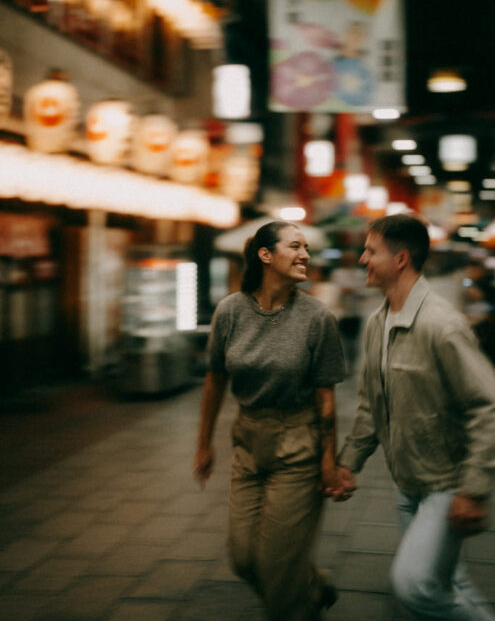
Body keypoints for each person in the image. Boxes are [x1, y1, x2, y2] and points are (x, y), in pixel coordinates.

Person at [335, 214, 495, 620]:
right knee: (446, 583)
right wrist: (349, 462)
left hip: (445, 484)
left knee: (416, 586)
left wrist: (473, 488)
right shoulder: (378, 323)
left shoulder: (443, 326)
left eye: (370, 251)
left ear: (401, 259)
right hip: (408, 487)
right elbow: (372, 401)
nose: (362, 260)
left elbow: (487, 404)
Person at [194, 221, 346, 621]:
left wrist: (328, 461)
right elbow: (215, 379)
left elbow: (326, 397)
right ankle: (311, 584)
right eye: (294, 246)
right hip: (248, 441)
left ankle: (298, 602)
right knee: (243, 557)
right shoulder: (230, 311)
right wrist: (203, 443)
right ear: (265, 255)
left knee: (277, 571)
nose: (305, 255)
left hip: (298, 443)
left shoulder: (317, 317)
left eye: (307, 248)